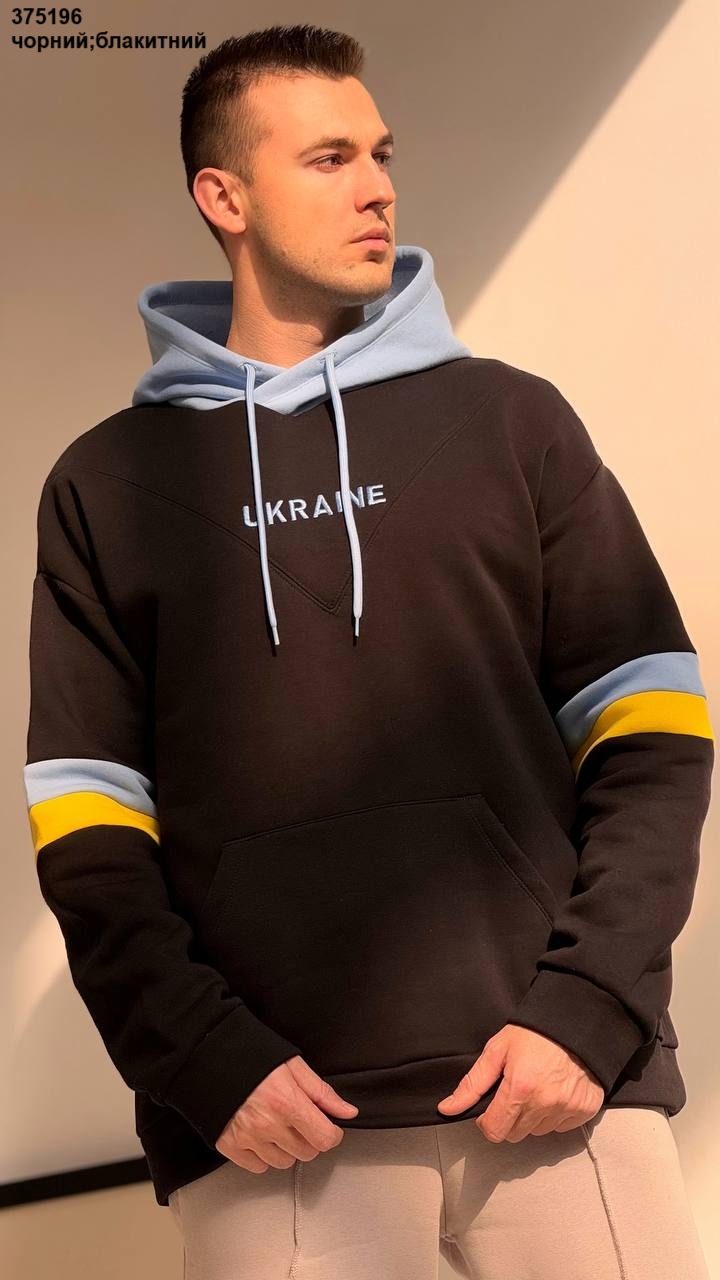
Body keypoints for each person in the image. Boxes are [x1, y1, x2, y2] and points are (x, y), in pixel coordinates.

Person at [23, 22, 714, 1280]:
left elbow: (654, 730)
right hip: (276, 1122)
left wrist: (591, 1004)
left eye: (381, 152)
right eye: (330, 157)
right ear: (224, 196)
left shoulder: (511, 421)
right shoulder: (106, 486)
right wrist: (203, 1059)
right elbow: (87, 822)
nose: (378, 186)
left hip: (557, 1085)